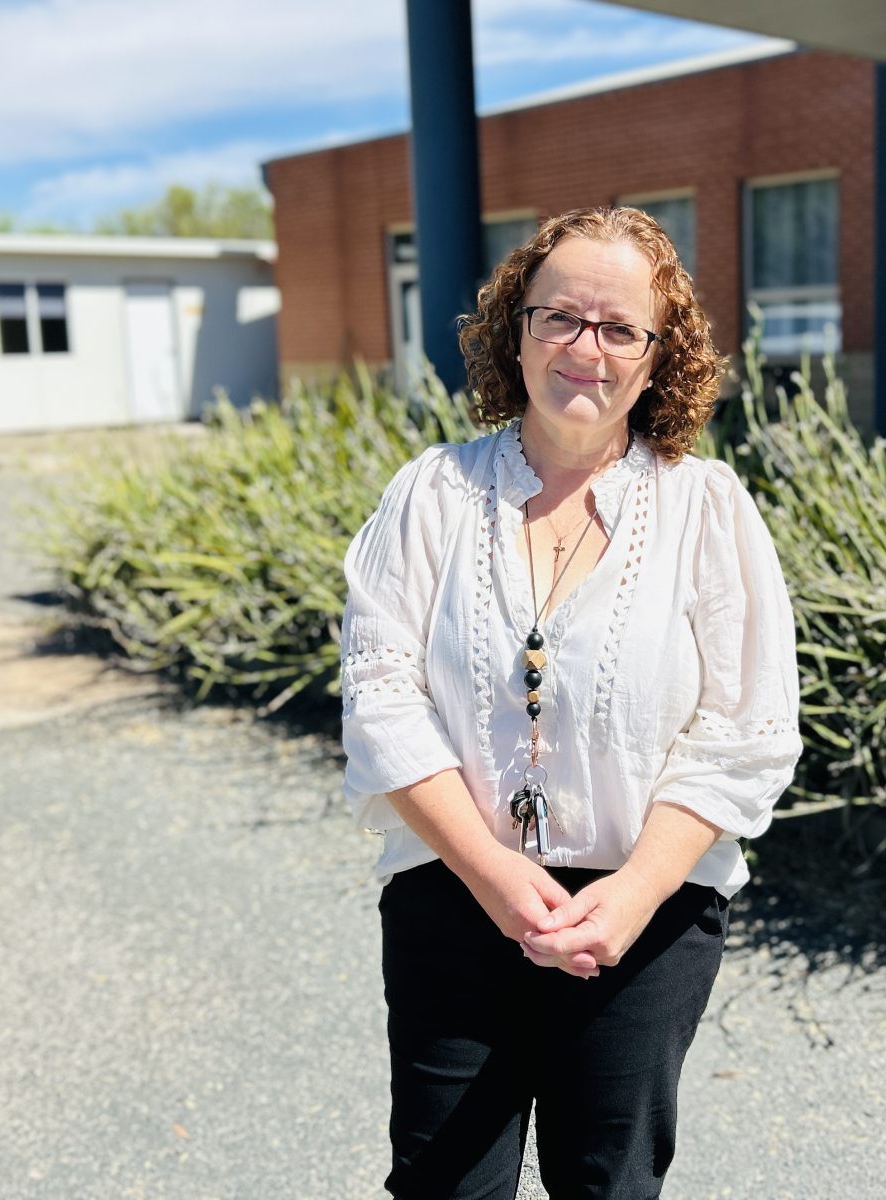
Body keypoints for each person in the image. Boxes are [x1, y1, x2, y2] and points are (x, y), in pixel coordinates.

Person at [340, 206, 803, 1199]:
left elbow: (746, 733)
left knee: (608, 1185)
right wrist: (496, 874)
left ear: (657, 355)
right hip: (455, 898)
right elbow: (380, 695)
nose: (583, 348)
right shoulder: (433, 495)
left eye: (618, 327)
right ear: (516, 329)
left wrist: (633, 894)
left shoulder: (706, 510)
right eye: (557, 317)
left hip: (647, 917)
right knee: (444, 1185)